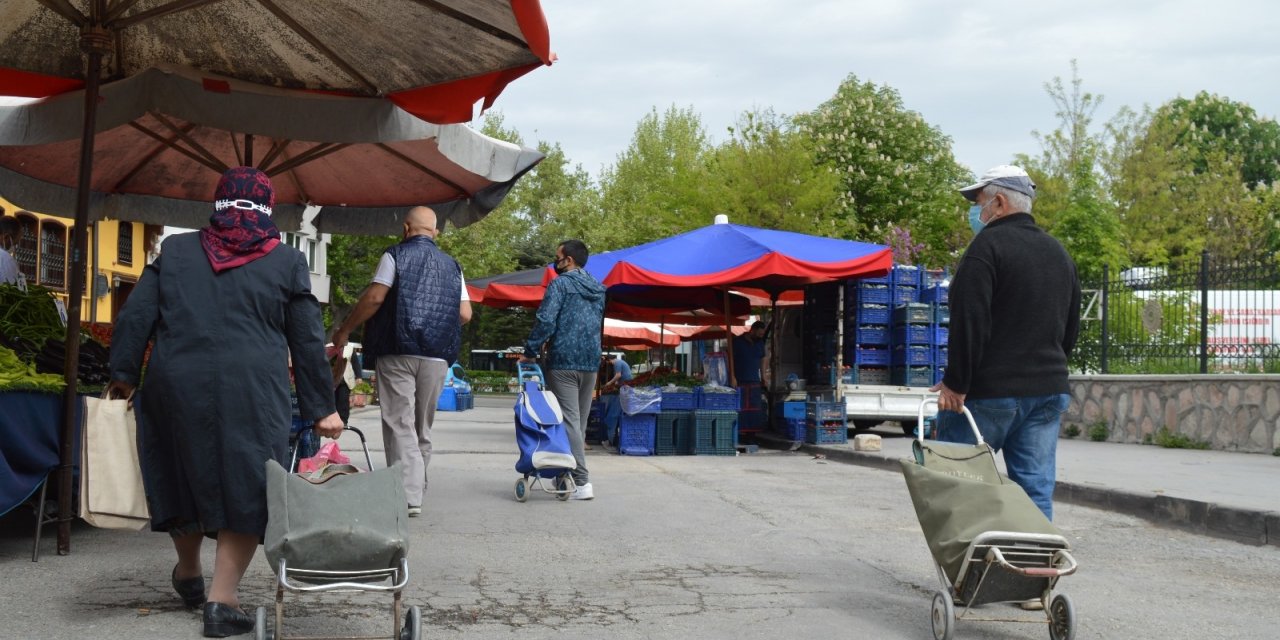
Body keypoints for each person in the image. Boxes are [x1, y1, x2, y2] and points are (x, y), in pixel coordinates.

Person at [106, 167, 343, 638]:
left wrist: (123, 377)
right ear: (267, 207)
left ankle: (188, 572)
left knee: (182, 472)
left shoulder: (175, 251)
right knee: (249, 484)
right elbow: (308, 340)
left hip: (176, 383)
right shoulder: (287, 261)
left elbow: (135, 317)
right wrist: (323, 407)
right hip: (252, 389)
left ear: (218, 203)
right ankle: (221, 600)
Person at [930, 164, 1081, 525]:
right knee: (1034, 490)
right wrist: (1049, 370)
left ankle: (969, 572)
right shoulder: (1058, 253)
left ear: (998, 203)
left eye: (977, 201)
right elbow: (1070, 327)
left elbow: (970, 322)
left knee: (961, 487)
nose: (974, 211)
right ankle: (1033, 571)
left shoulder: (986, 248)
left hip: (990, 394)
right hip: (1047, 391)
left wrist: (956, 383)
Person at [331, 206, 471, 518]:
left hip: (397, 349)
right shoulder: (454, 266)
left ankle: (407, 495)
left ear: (406, 228)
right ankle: (415, 487)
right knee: (421, 426)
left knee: (399, 422)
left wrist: (345, 329)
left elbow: (375, 298)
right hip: (437, 357)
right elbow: (464, 314)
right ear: (435, 232)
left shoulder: (394, 255)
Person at [519, 240, 606, 500]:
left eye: (557, 257)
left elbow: (546, 319)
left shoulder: (561, 284)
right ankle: (564, 477)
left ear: (568, 260)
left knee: (568, 421)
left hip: (564, 360)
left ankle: (581, 481)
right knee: (577, 421)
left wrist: (530, 350)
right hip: (591, 361)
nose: (554, 261)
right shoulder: (599, 289)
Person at [731, 320, 769, 412]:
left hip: (755, 381)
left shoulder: (760, 343)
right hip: (739, 381)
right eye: (759, 334)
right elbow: (730, 359)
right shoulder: (737, 342)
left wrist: (763, 376)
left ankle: (753, 426)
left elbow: (763, 358)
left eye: (762, 334)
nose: (761, 337)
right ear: (752, 330)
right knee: (740, 408)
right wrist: (732, 376)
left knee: (754, 409)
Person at [0, 213, 25, 287]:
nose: (13, 247)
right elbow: (18, 290)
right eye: (14, 243)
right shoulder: (6, 259)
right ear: (6, 237)